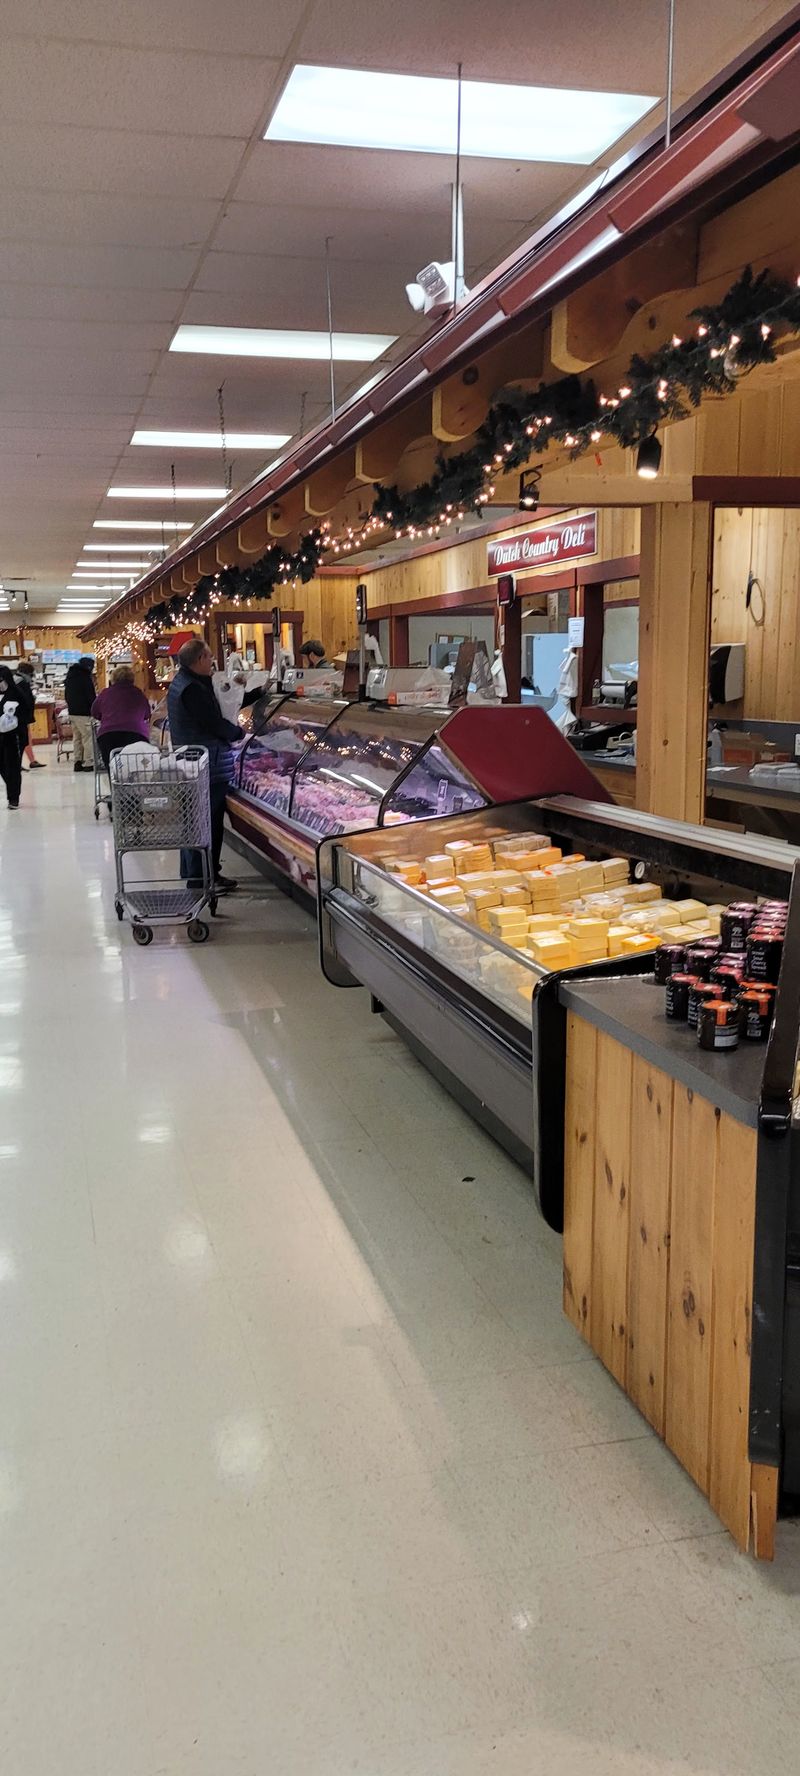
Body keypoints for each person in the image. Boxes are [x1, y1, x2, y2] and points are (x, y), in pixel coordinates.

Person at [167, 638, 263, 892]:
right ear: (199, 659)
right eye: (209, 657)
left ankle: (199, 874)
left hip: (194, 762)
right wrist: (239, 734)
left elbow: (222, 705)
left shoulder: (187, 682)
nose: (212, 662)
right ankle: (203, 878)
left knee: (196, 820)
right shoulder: (193, 689)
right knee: (206, 821)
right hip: (205, 764)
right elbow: (213, 722)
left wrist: (251, 693)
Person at [91, 665, 152, 767]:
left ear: (113, 678)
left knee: (113, 768)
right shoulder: (138, 693)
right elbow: (147, 714)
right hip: (136, 735)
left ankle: (114, 781)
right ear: (132, 678)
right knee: (138, 767)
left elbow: (94, 712)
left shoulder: (105, 693)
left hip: (108, 736)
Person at [64, 655, 97, 772]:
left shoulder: (70, 677)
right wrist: (94, 708)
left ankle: (77, 762)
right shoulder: (85, 678)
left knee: (77, 738)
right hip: (84, 713)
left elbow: (66, 695)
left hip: (72, 712)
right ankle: (89, 762)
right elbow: (90, 696)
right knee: (88, 738)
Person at [14, 662, 45, 769]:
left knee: (25, 739)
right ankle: (19, 763)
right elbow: (24, 699)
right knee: (23, 739)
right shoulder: (21, 682)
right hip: (21, 717)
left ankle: (30, 760)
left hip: (17, 716)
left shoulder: (15, 680)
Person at [0, 666, 22, 810]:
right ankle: (11, 786)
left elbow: (25, 711)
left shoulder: (16, 693)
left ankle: (13, 797)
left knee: (12, 766)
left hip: (12, 736)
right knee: (3, 766)